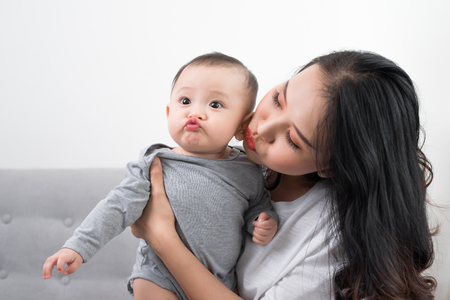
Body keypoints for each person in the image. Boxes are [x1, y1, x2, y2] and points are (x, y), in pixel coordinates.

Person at [130, 50, 437, 299]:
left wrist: (162, 237)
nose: (261, 129)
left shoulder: (329, 239)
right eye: (278, 99)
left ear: (329, 166)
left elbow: (160, 230)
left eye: (291, 139)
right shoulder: (239, 161)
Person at [42, 52, 279, 300]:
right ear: (168, 112)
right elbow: (117, 206)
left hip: (218, 281)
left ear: (242, 126)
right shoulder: (154, 162)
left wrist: (264, 222)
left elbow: (258, 205)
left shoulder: (248, 169)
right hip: (157, 276)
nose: (195, 113)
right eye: (185, 101)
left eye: (215, 104)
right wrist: (78, 247)